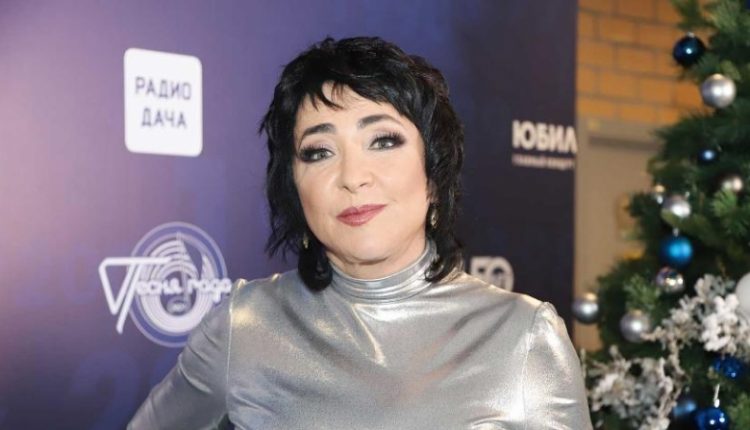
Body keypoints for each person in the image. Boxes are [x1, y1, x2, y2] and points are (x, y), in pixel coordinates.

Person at [128, 36, 592, 430]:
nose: (353, 177)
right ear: (294, 186)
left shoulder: (524, 338)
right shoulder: (244, 328)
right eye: (319, 151)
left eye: (383, 141)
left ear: (433, 175)